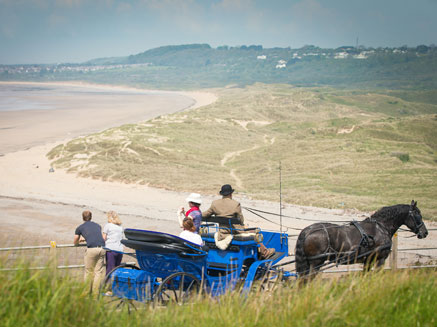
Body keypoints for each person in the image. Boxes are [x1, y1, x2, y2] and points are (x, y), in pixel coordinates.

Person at [202, 184, 275, 259]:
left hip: (222, 232)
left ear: (222, 194)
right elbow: (241, 220)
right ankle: (264, 252)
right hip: (234, 231)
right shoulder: (235, 204)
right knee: (255, 232)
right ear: (231, 194)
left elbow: (205, 214)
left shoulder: (215, 203)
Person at [74, 210, 106, 294]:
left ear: (83, 217)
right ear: (91, 217)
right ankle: (96, 294)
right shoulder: (98, 226)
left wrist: (77, 243)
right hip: (102, 248)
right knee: (98, 272)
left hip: (92, 249)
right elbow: (95, 235)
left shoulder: (80, 228)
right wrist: (85, 238)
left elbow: (75, 240)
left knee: (88, 272)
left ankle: (86, 292)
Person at [102, 211, 124, 276]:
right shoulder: (120, 227)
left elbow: (103, 238)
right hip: (120, 250)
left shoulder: (108, 225)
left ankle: (107, 285)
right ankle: (115, 285)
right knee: (116, 270)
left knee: (109, 270)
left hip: (111, 249)